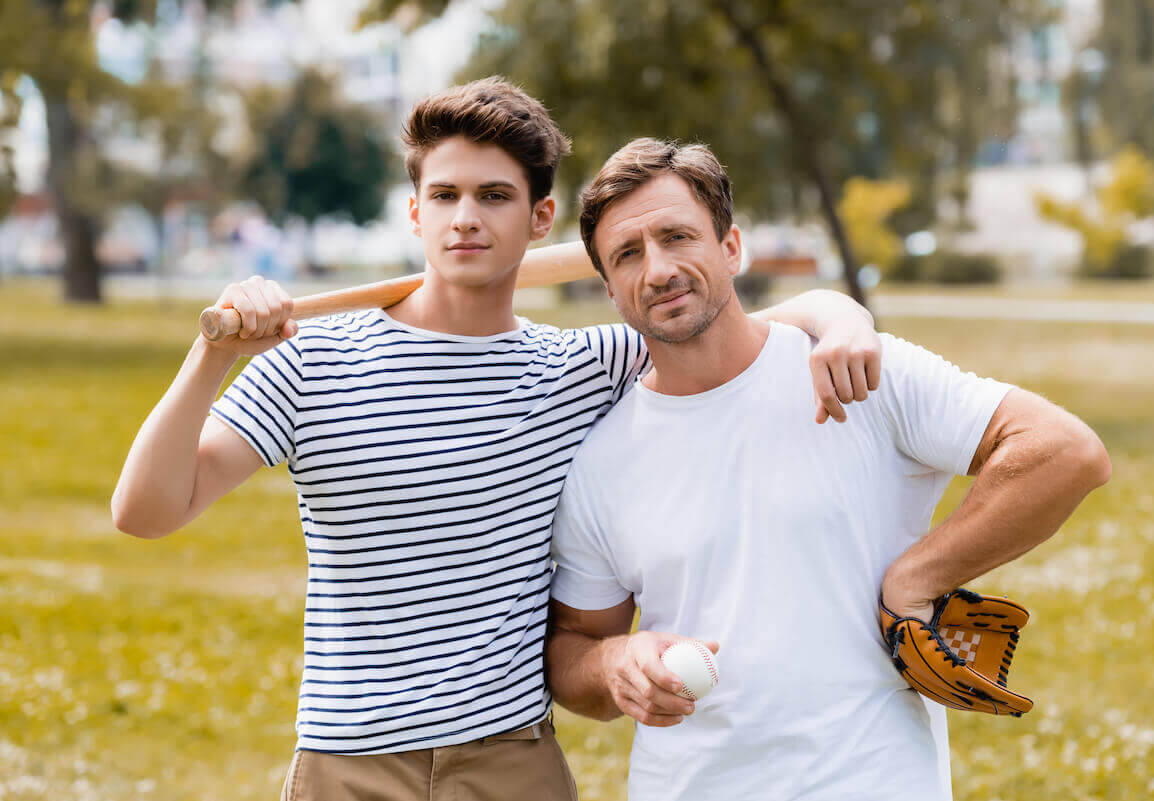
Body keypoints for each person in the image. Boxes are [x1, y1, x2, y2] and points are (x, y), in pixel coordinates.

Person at [110, 79, 883, 801]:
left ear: (540, 218)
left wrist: (846, 318)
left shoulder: (582, 366)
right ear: (414, 212)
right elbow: (145, 509)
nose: (465, 218)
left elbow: (739, 327)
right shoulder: (315, 358)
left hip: (511, 758)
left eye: (494, 196)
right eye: (442, 195)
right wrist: (212, 351)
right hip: (350, 762)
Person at [546, 138, 1112, 801]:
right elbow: (575, 643)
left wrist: (917, 576)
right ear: (609, 288)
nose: (659, 268)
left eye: (678, 236)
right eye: (628, 255)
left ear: (731, 248)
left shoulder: (857, 370)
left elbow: (1063, 450)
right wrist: (614, 662)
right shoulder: (600, 461)